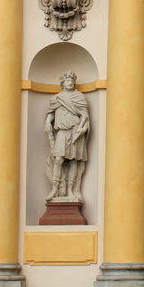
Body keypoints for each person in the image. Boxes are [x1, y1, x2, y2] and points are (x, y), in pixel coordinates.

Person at [45, 71, 90, 201]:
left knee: (73, 161)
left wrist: (82, 128)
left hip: (75, 131)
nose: (70, 82)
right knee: (59, 160)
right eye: (68, 80)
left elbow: (84, 115)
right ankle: (55, 189)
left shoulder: (79, 97)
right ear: (63, 83)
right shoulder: (57, 98)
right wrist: (48, 121)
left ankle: (71, 190)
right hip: (62, 132)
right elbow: (51, 113)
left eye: (72, 81)